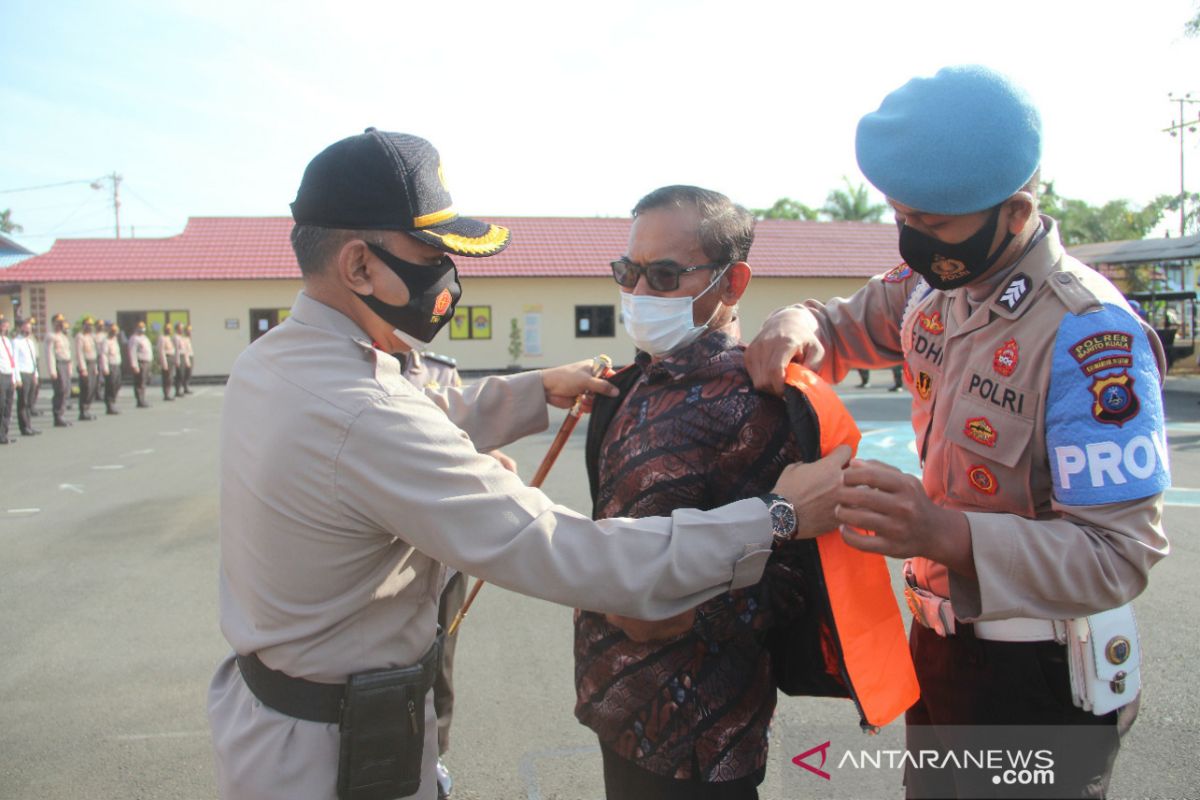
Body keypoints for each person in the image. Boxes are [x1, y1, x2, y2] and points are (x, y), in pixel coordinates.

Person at [206, 129, 849, 800]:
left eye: (662, 275)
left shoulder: (272, 362)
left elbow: (396, 425)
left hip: (281, 723)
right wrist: (777, 516)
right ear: (360, 266)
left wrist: (532, 390)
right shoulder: (362, 410)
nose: (449, 277)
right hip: (336, 755)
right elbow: (567, 551)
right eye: (432, 255)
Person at [745, 65, 1169, 798]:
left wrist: (944, 533)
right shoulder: (935, 287)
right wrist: (800, 320)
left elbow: (1117, 557)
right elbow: (844, 325)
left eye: (932, 224)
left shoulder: (1086, 336)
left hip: (1033, 678)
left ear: (1014, 211)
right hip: (939, 653)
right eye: (900, 217)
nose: (911, 239)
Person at [576, 185, 808, 800]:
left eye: (664, 275)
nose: (638, 294)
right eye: (628, 272)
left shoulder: (755, 402)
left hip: (701, 740)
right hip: (616, 710)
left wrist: (674, 613)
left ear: (732, 284)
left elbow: (791, 574)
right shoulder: (634, 382)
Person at [397, 347, 515, 800]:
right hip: (390, 556)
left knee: (440, 657)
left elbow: (468, 441)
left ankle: (435, 753)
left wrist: (492, 461)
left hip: (443, 555)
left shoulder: (438, 371)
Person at [13, 317, 40, 436]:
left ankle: (29, 425)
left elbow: (33, 360)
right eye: (26, 327)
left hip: (31, 372)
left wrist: (36, 374)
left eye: (29, 327)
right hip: (22, 373)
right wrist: (17, 378)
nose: (28, 329)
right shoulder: (16, 342)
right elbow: (14, 361)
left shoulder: (30, 342)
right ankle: (24, 427)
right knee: (23, 402)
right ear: (20, 328)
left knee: (30, 401)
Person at [45, 313, 73, 427]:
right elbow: (49, 354)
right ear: (53, 323)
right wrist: (52, 370)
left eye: (62, 322)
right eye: (58, 322)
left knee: (66, 390)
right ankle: (57, 416)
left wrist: (70, 368)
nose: (61, 324)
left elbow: (68, 353)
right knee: (60, 390)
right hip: (58, 364)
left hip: (65, 364)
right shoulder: (51, 336)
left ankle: (62, 414)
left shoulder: (63, 336)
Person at [0, 315, 19, 444]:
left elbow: (12, 360)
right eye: (2, 325)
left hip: (9, 375)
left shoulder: (7, 340)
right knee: (1, 406)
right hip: (0, 375)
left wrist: (15, 377)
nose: (5, 327)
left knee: (8, 405)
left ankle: (4, 434)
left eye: (6, 325)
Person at [74, 317, 98, 421]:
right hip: (85, 364)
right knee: (86, 387)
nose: (90, 327)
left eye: (91, 325)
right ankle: (83, 411)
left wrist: (96, 367)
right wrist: (83, 368)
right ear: (83, 325)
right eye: (88, 325)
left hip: (92, 363)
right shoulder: (80, 336)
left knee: (92, 387)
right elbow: (79, 353)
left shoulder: (91, 337)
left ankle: (87, 409)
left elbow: (94, 352)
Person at [100, 321, 123, 414]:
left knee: (117, 384)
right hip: (110, 366)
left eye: (115, 331)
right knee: (110, 386)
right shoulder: (106, 341)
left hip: (116, 365)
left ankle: (113, 402)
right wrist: (105, 368)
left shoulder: (115, 340)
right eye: (113, 331)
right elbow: (103, 355)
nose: (114, 332)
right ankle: (109, 405)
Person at [128, 321, 153, 408]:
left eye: (143, 327)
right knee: (139, 382)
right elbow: (132, 353)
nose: (142, 329)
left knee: (144, 382)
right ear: (136, 328)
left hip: (147, 361)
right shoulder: (134, 338)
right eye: (140, 327)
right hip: (140, 362)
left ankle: (143, 399)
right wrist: (134, 365)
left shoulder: (145, 338)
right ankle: (140, 400)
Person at [157, 324, 176, 401]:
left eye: (170, 329)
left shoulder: (169, 338)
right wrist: (164, 362)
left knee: (170, 377)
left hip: (171, 358)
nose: (170, 330)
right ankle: (166, 394)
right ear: (165, 329)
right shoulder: (162, 338)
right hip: (166, 358)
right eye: (168, 329)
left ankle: (168, 392)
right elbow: (161, 351)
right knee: (166, 377)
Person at [180, 324, 194, 394]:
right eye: (189, 331)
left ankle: (186, 386)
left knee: (189, 373)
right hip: (187, 357)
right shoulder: (184, 339)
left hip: (190, 356)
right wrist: (187, 360)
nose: (190, 332)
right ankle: (184, 387)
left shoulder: (188, 339)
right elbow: (185, 350)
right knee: (185, 373)